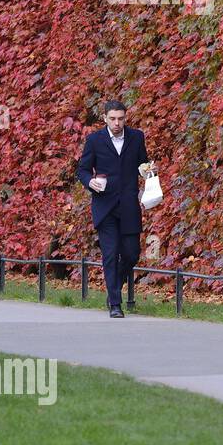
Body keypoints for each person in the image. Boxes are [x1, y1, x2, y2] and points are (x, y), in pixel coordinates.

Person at [76, 100, 152, 318]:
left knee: (131, 254)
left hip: (128, 205)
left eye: (120, 118)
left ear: (125, 118)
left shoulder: (137, 137)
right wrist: (90, 182)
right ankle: (115, 305)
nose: (117, 123)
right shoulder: (94, 140)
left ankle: (114, 288)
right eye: (113, 119)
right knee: (110, 254)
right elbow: (82, 170)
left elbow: (142, 166)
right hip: (105, 205)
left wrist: (148, 170)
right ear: (105, 118)